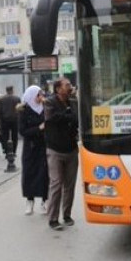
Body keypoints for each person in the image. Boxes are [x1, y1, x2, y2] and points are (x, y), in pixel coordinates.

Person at [43, 78, 79, 230]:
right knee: (56, 184)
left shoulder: (73, 101)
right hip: (55, 150)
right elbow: (51, 119)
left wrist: (68, 117)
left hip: (71, 149)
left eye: (70, 85)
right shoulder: (50, 102)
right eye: (67, 85)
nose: (70, 87)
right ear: (58, 89)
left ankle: (67, 215)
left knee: (70, 185)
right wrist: (68, 116)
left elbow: (78, 119)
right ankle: (53, 219)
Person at [19, 85, 48, 215]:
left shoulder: (45, 108)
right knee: (29, 173)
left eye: (41, 94)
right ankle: (30, 201)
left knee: (45, 173)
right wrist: (39, 128)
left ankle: (45, 200)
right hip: (30, 147)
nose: (40, 97)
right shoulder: (24, 110)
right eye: (38, 95)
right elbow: (22, 130)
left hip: (44, 145)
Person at [0, 86, 20, 155]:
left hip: (5, 120)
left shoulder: (2, 99)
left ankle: (7, 151)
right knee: (14, 136)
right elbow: (19, 110)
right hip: (15, 120)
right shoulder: (17, 99)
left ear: (6, 91)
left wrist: (1, 120)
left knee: (5, 136)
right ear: (12, 90)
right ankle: (14, 151)